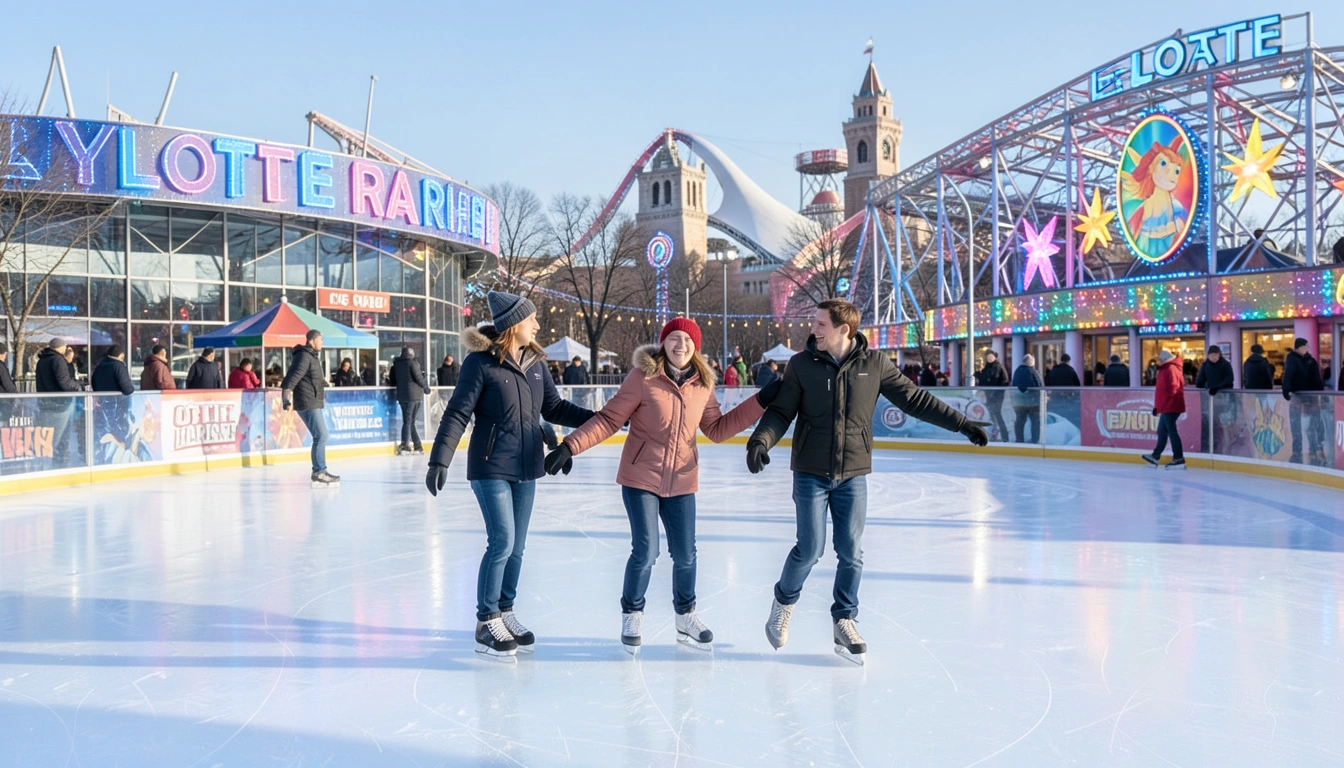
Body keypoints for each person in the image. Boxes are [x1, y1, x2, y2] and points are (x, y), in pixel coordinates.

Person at [745, 299, 988, 665]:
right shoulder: (801, 365)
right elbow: (781, 412)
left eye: (821, 324)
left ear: (844, 329)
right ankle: (783, 602)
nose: (814, 329)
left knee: (851, 552)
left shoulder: (874, 364)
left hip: (853, 473)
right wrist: (760, 441)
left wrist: (961, 424)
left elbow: (915, 399)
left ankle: (844, 618)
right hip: (810, 472)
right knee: (810, 549)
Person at [546, 318, 780, 653]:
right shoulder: (642, 377)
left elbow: (717, 429)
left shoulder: (703, 384)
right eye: (674, 338)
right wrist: (570, 446)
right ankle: (632, 613)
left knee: (686, 555)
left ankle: (686, 617)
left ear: (695, 346)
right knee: (646, 551)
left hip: (682, 480)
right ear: (663, 342)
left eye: (687, 339)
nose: (680, 345)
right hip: (640, 476)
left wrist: (760, 401)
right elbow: (610, 419)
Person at [425, 290, 595, 661]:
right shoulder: (479, 363)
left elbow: (553, 407)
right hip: (490, 465)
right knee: (502, 541)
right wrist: (440, 460)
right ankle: (486, 621)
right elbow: (458, 412)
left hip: (527, 465)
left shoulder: (535, 363)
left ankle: (505, 610)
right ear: (514, 323)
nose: (537, 325)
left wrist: (598, 419)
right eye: (532, 319)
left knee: (517, 546)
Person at [281, 330, 337, 486]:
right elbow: (292, 377)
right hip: (307, 401)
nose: (322, 342)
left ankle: (320, 470)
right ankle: (319, 471)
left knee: (320, 436)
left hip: (312, 400)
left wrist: (324, 383)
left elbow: (311, 378)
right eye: (320, 339)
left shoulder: (311, 356)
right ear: (311, 341)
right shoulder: (304, 356)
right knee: (321, 436)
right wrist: (285, 398)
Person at [1282, 337, 1326, 464]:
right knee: (1296, 426)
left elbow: (1317, 379)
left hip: (1311, 397)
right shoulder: (1292, 359)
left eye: (1307, 346)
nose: (1307, 348)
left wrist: (1321, 394)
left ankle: (1316, 449)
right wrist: (1286, 389)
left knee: (1314, 424)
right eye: (1305, 346)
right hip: (1297, 397)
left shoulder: (1311, 361)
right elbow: (1288, 374)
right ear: (1298, 347)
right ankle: (1297, 451)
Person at [1143, 349, 1186, 469]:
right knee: (1162, 431)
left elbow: (1173, 389)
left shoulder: (1171, 369)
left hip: (1171, 406)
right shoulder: (1165, 369)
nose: (1158, 361)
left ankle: (1178, 458)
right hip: (1167, 406)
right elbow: (1162, 391)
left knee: (1171, 431)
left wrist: (1165, 405)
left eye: (1160, 359)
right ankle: (1156, 455)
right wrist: (1158, 407)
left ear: (1164, 359)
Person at [389, 346, 431, 454]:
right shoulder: (413, 363)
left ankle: (414, 445)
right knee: (409, 422)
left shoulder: (397, 365)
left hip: (403, 396)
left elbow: (393, 380)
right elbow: (418, 378)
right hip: (414, 396)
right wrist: (426, 388)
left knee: (408, 422)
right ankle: (408, 446)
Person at [974, 350, 1010, 442]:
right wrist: (979, 375)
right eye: (987, 356)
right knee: (991, 415)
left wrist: (998, 392)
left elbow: (1005, 381)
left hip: (997, 396)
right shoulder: (987, 368)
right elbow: (984, 382)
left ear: (995, 356)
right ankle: (994, 434)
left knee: (997, 414)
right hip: (989, 395)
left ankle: (1004, 435)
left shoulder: (998, 366)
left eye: (991, 356)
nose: (989, 358)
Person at [1010, 354, 1043, 443]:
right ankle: (1035, 440)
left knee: (1020, 421)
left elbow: (1014, 384)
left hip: (1019, 403)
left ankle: (1019, 439)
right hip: (1033, 403)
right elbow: (1038, 385)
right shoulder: (1032, 371)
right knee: (1035, 421)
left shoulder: (1017, 371)